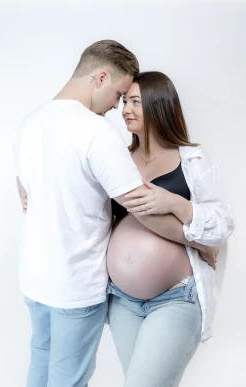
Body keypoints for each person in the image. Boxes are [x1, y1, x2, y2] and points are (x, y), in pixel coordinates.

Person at [15, 41, 220, 387]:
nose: (115, 107)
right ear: (101, 76)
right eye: (120, 94)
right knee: (68, 379)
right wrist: (198, 241)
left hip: (35, 280)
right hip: (74, 284)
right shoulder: (94, 130)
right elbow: (141, 206)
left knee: (41, 364)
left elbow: (26, 193)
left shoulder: (32, 121)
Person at [107, 71, 235, 387]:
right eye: (125, 101)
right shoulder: (117, 162)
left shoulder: (191, 159)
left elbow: (222, 223)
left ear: (159, 105)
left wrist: (176, 204)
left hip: (176, 297)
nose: (126, 109)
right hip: (122, 301)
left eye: (135, 101)